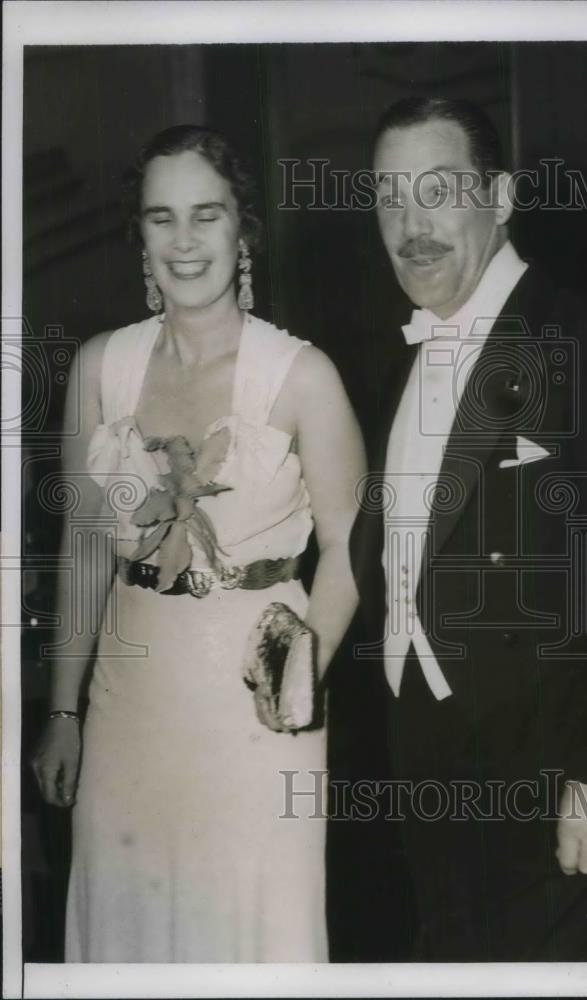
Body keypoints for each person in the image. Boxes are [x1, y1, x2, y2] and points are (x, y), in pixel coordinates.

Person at [351, 97, 587, 961]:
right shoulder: (401, 358)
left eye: (436, 191)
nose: (411, 225)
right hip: (434, 781)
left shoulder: (584, 340)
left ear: (499, 197)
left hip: (561, 791)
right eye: (390, 198)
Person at [30, 124, 366, 962]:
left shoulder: (302, 375)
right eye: (161, 218)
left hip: (261, 694)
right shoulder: (100, 367)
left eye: (206, 216)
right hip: (128, 698)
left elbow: (356, 550)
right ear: (139, 235)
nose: (185, 242)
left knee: (253, 928)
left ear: (242, 230)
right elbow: (81, 546)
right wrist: (62, 710)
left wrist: (298, 672)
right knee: (127, 923)